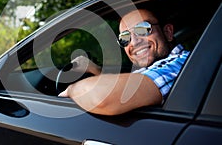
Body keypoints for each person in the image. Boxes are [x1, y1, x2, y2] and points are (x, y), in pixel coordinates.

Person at [58, 9, 190, 115]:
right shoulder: (155, 69)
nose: (134, 42)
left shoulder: (181, 64)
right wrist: (96, 71)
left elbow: (104, 98)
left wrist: (71, 90)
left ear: (167, 32)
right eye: (125, 37)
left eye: (143, 29)